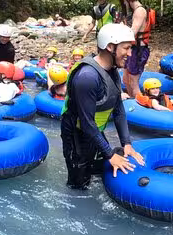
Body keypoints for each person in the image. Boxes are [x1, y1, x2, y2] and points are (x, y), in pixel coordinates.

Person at [60, 23, 145, 189]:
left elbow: (118, 109)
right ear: (110, 47)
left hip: (93, 130)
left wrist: (126, 143)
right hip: (76, 133)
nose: (130, 53)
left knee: (99, 170)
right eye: (126, 48)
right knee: (80, 184)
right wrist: (109, 154)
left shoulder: (111, 70)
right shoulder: (87, 77)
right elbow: (86, 123)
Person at [120, 0, 156, 98]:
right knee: (125, 79)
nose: (124, 4)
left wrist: (120, 30)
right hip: (133, 49)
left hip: (139, 51)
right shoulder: (136, 11)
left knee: (133, 83)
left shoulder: (140, 11)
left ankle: (138, 105)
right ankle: (131, 101)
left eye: (124, 1)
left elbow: (132, 32)